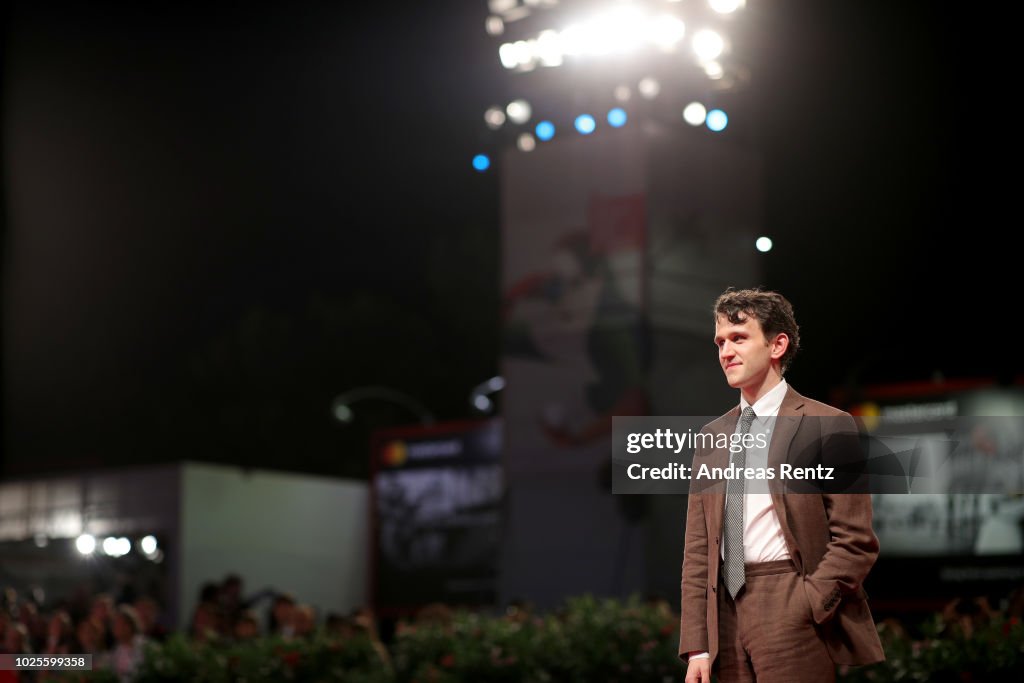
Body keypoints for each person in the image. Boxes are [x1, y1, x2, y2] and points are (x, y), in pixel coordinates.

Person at [679, 288, 884, 682]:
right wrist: (698, 646)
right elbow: (698, 550)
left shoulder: (827, 424)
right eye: (720, 342)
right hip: (723, 610)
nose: (726, 351)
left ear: (777, 344)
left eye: (739, 338)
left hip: (791, 598)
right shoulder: (711, 437)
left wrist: (809, 604)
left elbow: (855, 538)